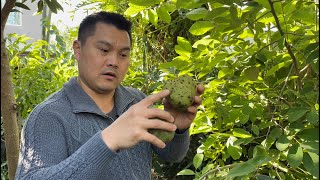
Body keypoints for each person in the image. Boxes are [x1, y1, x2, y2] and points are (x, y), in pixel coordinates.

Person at [15, 11, 204, 180]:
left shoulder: (136, 101)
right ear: (78, 50)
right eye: (104, 50)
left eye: (123, 54)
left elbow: (171, 154)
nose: (114, 61)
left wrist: (176, 127)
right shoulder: (48, 116)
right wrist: (107, 141)